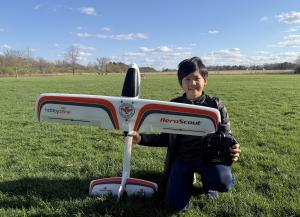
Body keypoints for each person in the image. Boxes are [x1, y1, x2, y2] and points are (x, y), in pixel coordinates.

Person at [131, 57, 241, 211]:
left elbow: (226, 137)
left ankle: (210, 184)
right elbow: (165, 137)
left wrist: (233, 149)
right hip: (182, 159)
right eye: (187, 79)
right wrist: (141, 138)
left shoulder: (216, 105)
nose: (192, 83)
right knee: (175, 206)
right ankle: (184, 180)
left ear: (205, 80)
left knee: (223, 182)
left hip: (209, 159)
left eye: (196, 78)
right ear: (181, 83)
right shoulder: (173, 106)